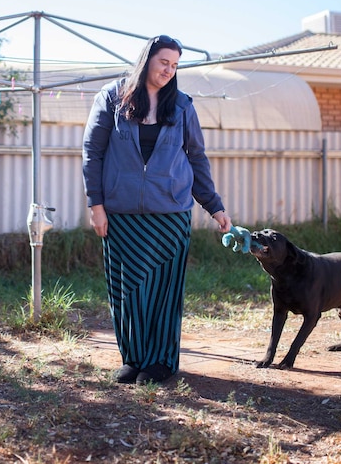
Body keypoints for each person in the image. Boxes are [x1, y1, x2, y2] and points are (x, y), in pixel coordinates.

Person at [82, 34, 232, 385]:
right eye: (164, 61)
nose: (169, 70)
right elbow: (93, 152)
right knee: (127, 289)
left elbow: (196, 157)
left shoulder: (181, 106)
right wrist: (96, 205)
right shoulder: (112, 98)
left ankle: (161, 362)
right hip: (121, 214)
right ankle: (133, 358)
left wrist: (215, 207)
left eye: (175, 65)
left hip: (170, 215)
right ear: (147, 59)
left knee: (164, 291)